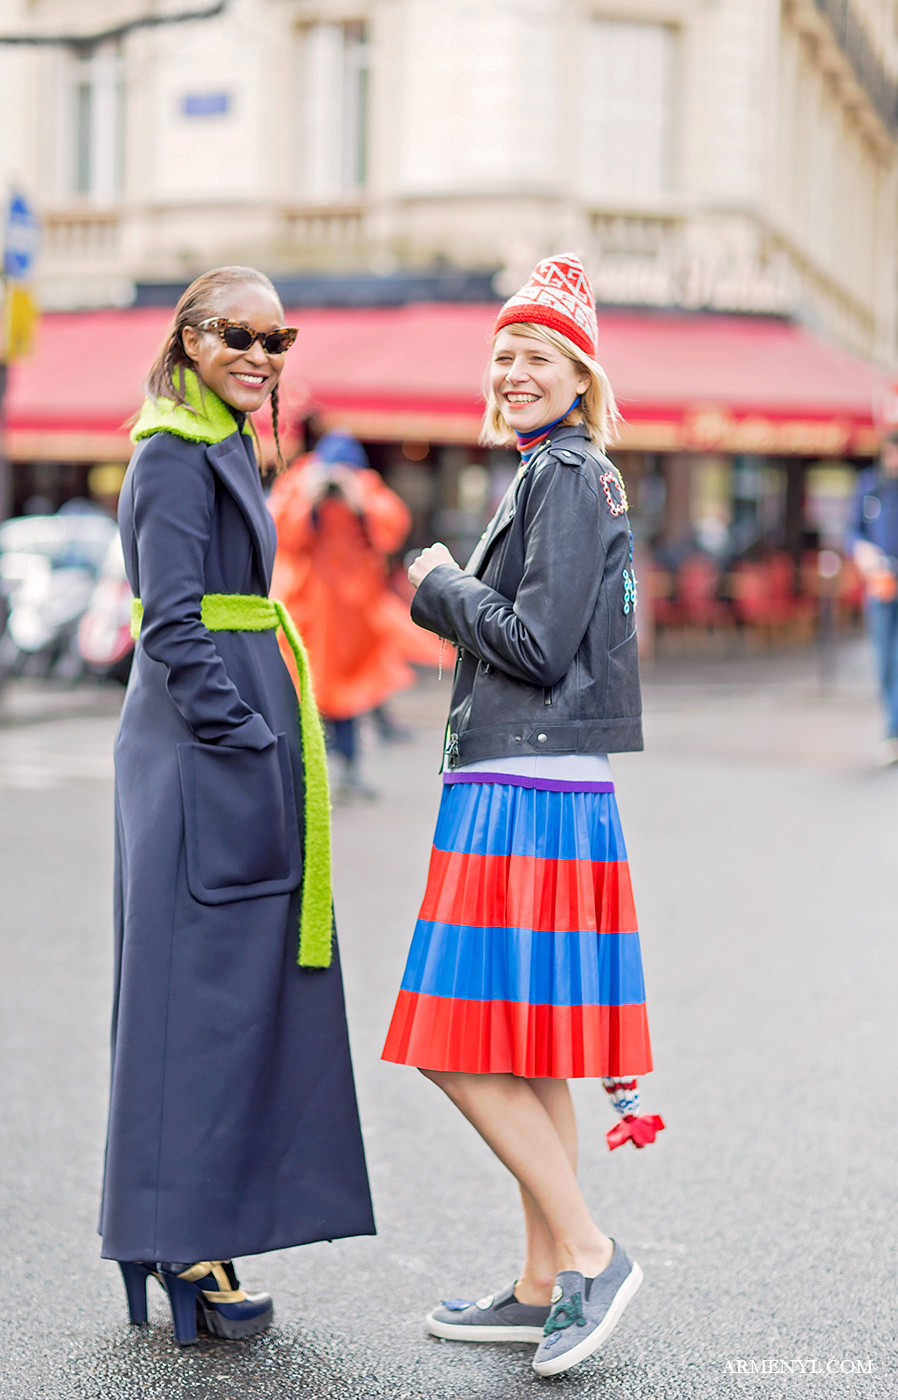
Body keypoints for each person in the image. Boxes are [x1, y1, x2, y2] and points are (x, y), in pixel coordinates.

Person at [381, 254, 662, 1379]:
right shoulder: (563, 473)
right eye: (502, 356)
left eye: (535, 356)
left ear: (580, 375)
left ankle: (591, 1250)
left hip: (525, 786)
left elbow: (538, 647)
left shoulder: (562, 475)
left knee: (450, 1040)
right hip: (546, 782)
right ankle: (544, 1282)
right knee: (529, 1044)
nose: (512, 373)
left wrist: (442, 581)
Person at [100, 266, 374, 1345]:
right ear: (188, 341)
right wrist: (246, 738)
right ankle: (182, 1241)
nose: (260, 354)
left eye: (277, 337)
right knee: (196, 1006)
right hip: (205, 753)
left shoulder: (217, 438)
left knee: (214, 1000)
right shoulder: (171, 453)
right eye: (236, 334)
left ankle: (176, 1229)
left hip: (220, 746)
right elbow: (168, 626)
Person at [268, 430, 424, 799]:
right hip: (306, 612)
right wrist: (311, 500)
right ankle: (303, 775)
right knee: (302, 697)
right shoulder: (301, 481)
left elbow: (392, 529)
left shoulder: (364, 485)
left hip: (352, 616)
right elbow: (282, 534)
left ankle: (349, 770)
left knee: (350, 694)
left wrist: (358, 503)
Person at [847, 429, 898, 764]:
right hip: (880, 584)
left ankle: (894, 731)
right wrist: (862, 551)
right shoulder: (870, 484)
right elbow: (852, 530)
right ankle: (891, 726)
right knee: (882, 660)